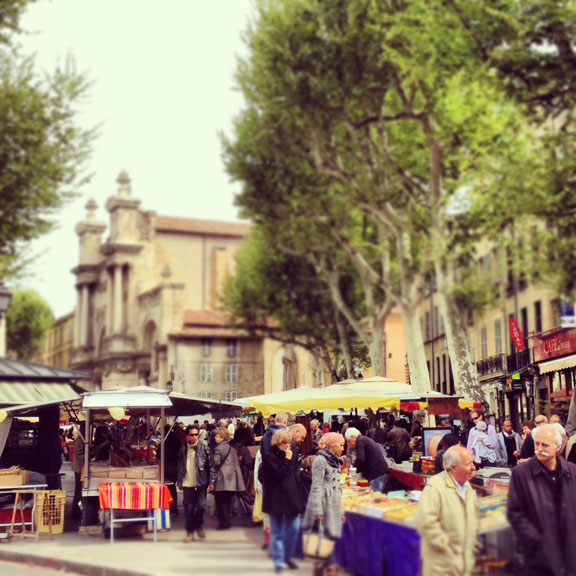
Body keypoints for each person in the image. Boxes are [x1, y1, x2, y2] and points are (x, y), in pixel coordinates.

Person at [507, 424, 576, 575]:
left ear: (558, 447)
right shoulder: (521, 474)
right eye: (537, 443)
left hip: (570, 549)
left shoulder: (572, 470)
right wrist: (537, 541)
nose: (539, 448)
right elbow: (515, 513)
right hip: (540, 556)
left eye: (545, 444)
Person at [415, 445, 478, 576]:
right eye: (468, 464)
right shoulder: (435, 487)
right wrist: (448, 545)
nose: (473, 467)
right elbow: (426, 523)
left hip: (464, 563)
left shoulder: (466, 485)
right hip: (442, 566)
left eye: (473, 462)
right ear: (453, 467)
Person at [260, 428, 305, 574]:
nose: (288, 445)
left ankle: (287, 557)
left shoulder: (292, 453)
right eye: (284, 442)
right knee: (277, 531)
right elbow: (279, 474)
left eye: (289, 442)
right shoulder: (269, 457)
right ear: (278, 443)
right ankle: (279, 561)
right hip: (276, 497)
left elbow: (295, 475)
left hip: (291, 495)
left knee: (294, 527)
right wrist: (287, 458)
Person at [302, 432, 346, 576]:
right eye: (341, 445)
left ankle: (321, 567)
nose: (342, 448)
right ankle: (331, 569)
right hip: (323, 502)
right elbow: (316, 486)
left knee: (328, 540)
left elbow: (337, 487)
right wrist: (317, 510)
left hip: (333, 502)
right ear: (332, 446)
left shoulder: (335, 460)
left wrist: (341, 512)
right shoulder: (321, 460)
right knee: (325, 539)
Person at [176, 424, 213, 542]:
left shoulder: (205, 448)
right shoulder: (183, 448)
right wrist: (179, 481)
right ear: (187, 436)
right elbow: (180, 466)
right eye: (192, 435)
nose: (195, 437)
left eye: (196, 435)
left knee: (201, 507)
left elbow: (211, 467)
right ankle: (190, 533)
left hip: (201, 483)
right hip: (187, 483)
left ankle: (198, 525)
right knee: (188, 509)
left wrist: (211, 482)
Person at [209, 426, 245, 531]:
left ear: (222, 437)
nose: (215, 438)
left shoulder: (218, 448)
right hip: (232, 478)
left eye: (217, 435)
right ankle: (227, 520)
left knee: (220, 502)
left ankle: (224, 523)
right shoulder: (231, 448)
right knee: (228, 501)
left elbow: (216, 463)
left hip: (221, 478)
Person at [344, 428, 389, 493]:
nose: (350, 443)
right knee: (377, 495)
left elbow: (360, 459)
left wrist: (351, 469)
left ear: (352, 437)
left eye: (348, 441)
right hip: (380, 471)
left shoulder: (359, 441)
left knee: (376, 497)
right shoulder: (364, 439)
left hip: (376, 472)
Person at [70, 423, 85, 521]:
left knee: (79, 489)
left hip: (79, 468)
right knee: (78, 490)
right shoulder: (80, 440)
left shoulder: (81, 439)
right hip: (79, 468)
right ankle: (75, 512)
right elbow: (80, 456)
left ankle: (76, 511)